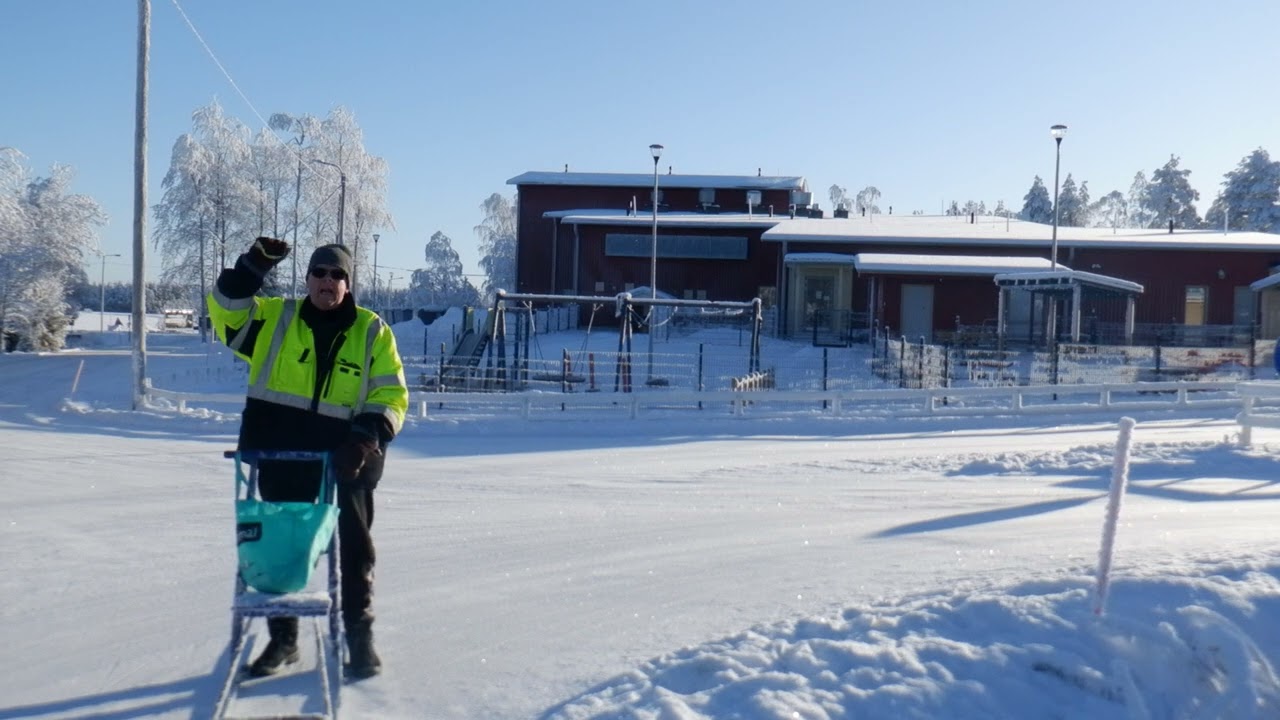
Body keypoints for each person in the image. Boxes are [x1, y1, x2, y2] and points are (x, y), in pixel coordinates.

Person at [207, 237, 408, 680]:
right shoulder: (275, 319)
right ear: (307, 278)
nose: (328, 281)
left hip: (346, 459)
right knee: (279, 548)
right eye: (320, 272)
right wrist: (254, 265)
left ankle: (358, 631)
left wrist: (363, 438)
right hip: (281, 454)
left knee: (355, 546)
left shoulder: (372, 330)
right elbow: (224, 308)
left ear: (348, 283)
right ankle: (284, 639)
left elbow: (391, 393)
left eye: (337, 275)